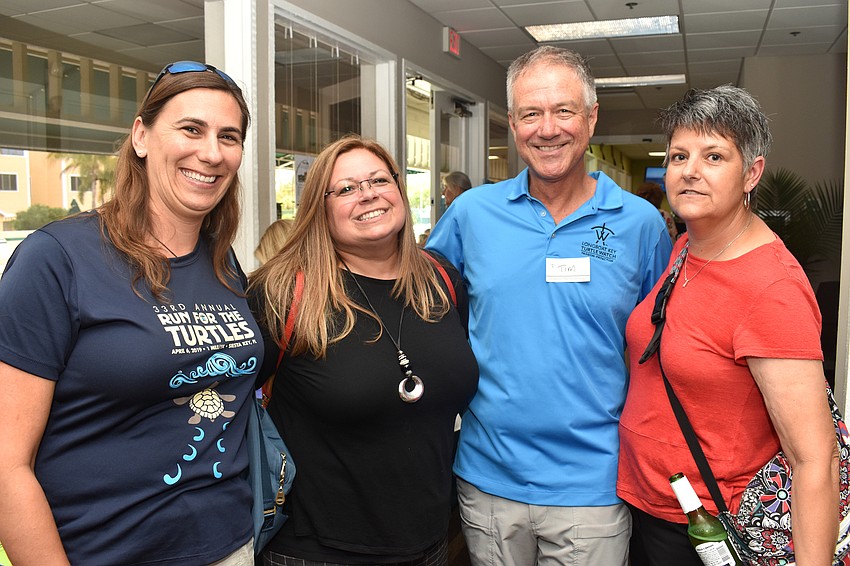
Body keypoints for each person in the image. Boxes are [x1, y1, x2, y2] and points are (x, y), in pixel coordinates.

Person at [0, 61, 262, 565]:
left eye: (228, 136)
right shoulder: (56, 258)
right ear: (141, 135)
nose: (211, 153)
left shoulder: (221, 261)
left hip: (231, 545)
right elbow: (7, 464)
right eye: (191, 128)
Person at [426, 46, 673, 565]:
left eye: (563, 111)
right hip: (488, 477)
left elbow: (659, 346)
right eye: (531, 114)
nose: (547, 129)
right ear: (513, 123)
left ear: (591, 117)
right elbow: (420, 305)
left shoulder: (639, 225)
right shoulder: (473, 214)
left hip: (595, 483)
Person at [618, 85, 839, 565]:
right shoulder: (687, 246)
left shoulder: (771, 289)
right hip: (650, 508)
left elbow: (814, 460)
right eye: (679, 156)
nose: (691, 171)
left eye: (714, 156)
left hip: (713, 528)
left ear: (751, 173)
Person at [249, 134, 479, 565]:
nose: (368, 194)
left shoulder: (442, 281)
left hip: (430, 540)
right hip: (316, 550)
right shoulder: (284, 294)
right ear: (320, 206)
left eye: (378, 180)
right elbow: (231, 402)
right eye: (347, 188)